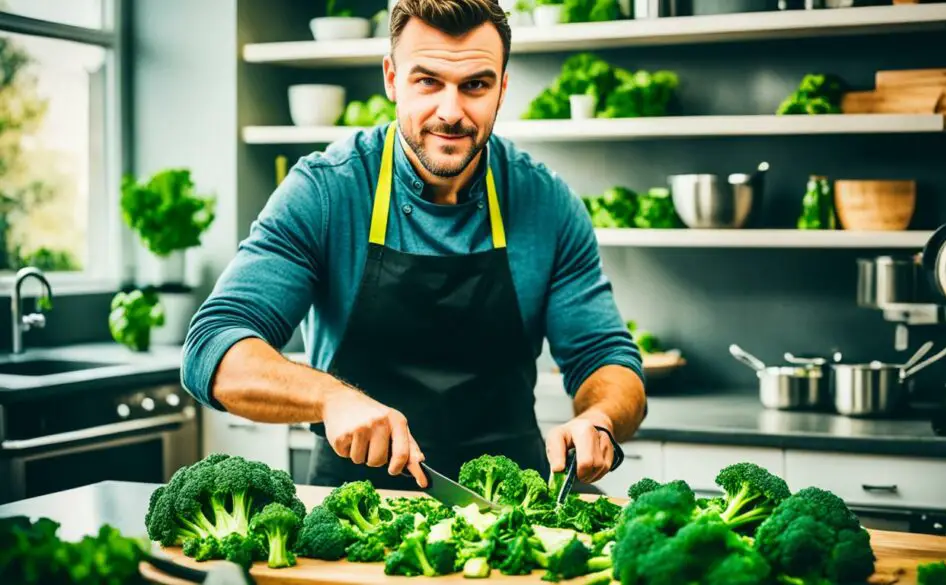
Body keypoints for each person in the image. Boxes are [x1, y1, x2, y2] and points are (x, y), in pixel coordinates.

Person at [181, 0, 647, 492]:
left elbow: (608, 358)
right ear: (391, 77)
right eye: (427, 81)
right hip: (353, 511)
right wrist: (330, 398)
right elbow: (213, 346)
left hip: (512, 514)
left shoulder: (546, 201)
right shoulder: (325, 191)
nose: (450, 112)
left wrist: (599, 419)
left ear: (502, 88)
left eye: (475, 85)